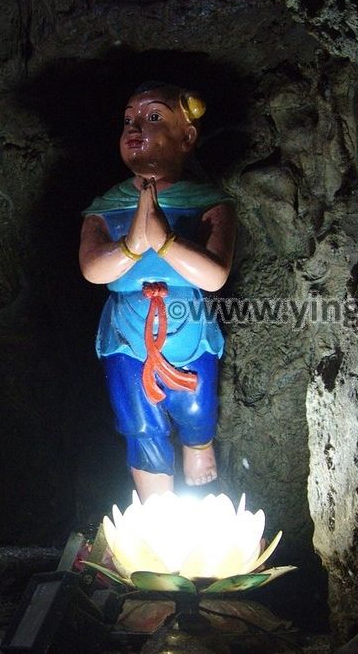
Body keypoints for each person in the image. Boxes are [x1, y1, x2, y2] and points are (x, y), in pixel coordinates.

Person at [79, 82, 236, 501]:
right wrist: (133, 244)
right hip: (129, 330)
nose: (136, 127)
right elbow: (95, 270)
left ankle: (200, 448)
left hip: (187, 322)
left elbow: (215, 275)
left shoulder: (210, 204)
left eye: (153, 117)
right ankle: (156, 507)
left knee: (198, 408)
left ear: (186, 137)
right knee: (138, 420)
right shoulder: (105, 206)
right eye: (129, 119)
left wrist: (165, 240)